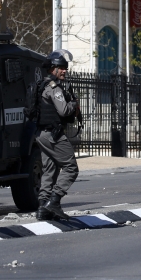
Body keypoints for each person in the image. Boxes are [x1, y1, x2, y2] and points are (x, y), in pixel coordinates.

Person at [34, 49, 80, 221]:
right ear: (52, 69)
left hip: (41, 134)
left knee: (50, 170)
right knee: (71, 168)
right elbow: (63, 110)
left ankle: (43, 208)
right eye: (61, 67)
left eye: (65, 67)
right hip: (53, 135)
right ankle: (54, 201)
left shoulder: (42, 85)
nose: (64, 70)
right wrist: (74, 105)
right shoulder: (54, 88)